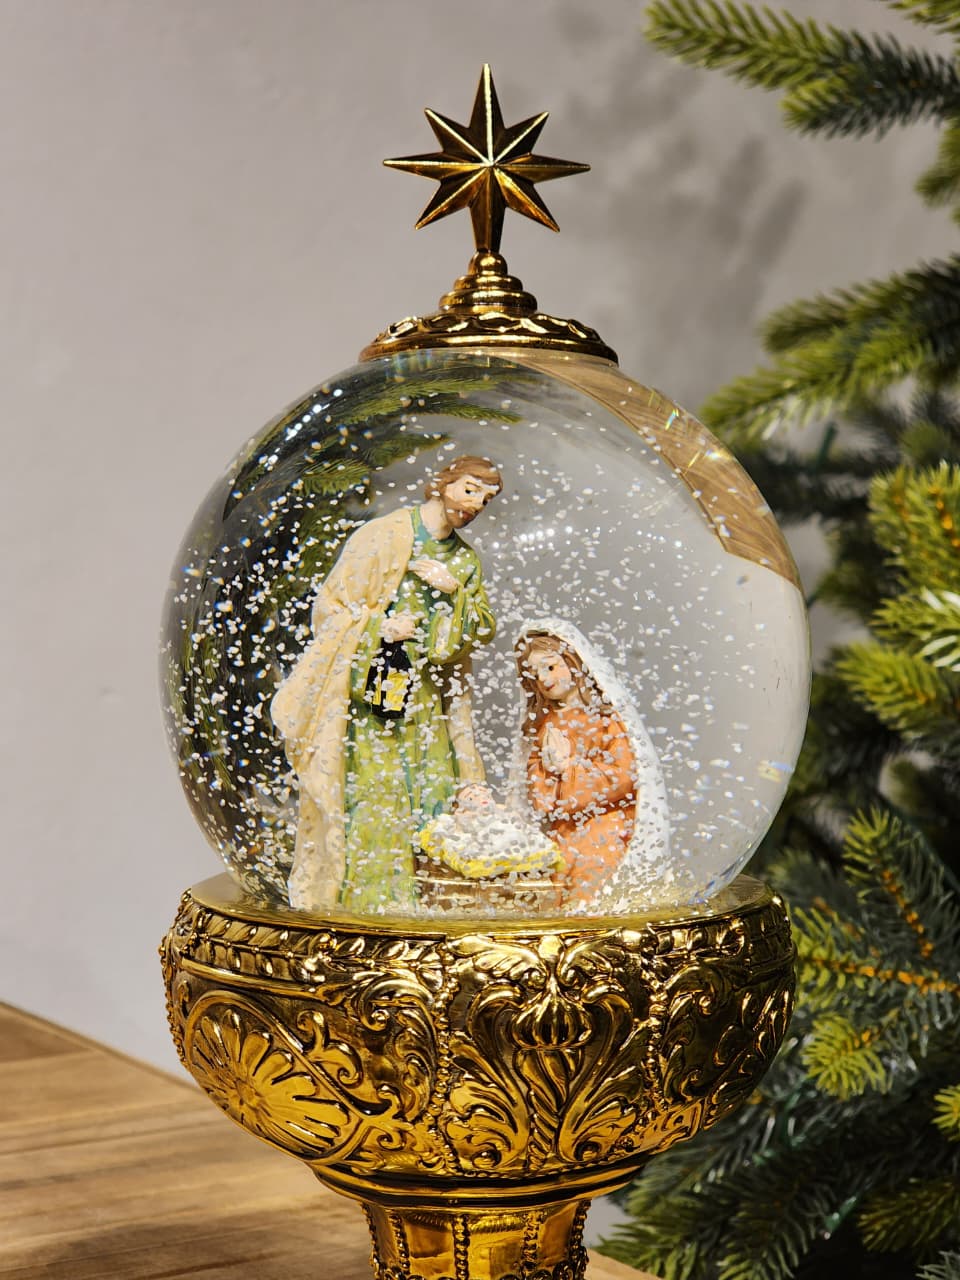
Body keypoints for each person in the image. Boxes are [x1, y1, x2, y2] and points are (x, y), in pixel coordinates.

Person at [271, 455, 502, 913]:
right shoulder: (383, 535)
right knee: (376, 804)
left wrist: (452, 589)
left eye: (486, 499)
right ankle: (372, 912)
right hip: (373, 701)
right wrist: (380, 628)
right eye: (470, 490)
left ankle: (425, 916)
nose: (476, 505)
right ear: (443, 483)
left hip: (427, 707)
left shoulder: (464, 561)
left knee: (431, 799)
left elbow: (475, 633)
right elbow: (331, 611)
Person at [514, 619, 670, 910]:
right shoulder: (546, 725)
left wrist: (570, 769)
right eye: (535, 674)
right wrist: (547, 770)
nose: (543, 679)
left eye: (550, 667)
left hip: (607, 825)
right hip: (564, 831)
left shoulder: (606, 718)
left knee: (591, 890)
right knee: (556, 892)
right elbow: (539, 793)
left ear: (574, 662)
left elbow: (625, 775)